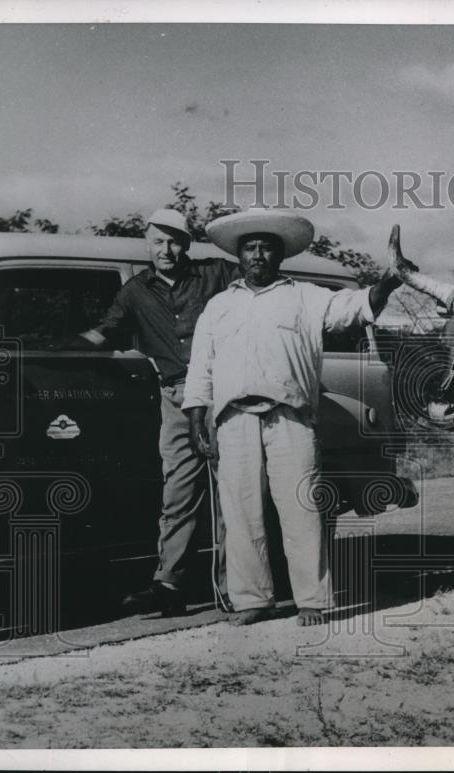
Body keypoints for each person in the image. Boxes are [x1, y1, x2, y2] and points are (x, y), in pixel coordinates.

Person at [182, 209, 404, 626]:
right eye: (250, 247)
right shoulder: (218, 306)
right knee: (241, 511)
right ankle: (253, 600)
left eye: (267, 247)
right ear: (239, 255)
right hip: (233, 421)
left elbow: (355, 306)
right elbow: (201, 368)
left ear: (280, 255)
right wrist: (197, 418)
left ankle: (312, 601)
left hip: (292, 419)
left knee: (301, 510)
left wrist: (390, 281)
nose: (258, 255)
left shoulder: (306, 296)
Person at [79, 208, 239, 616]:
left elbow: (260, 293)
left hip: (222, 392)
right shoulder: (135, 290)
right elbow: (105, 330)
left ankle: (235, 588)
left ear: (186, 243)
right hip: (175, 398)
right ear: (147, 242)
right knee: (178, 494)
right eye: (157, 241)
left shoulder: (217, 273)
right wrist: (48, 347)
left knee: (231, 494)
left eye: (173, 241)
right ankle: (170, 585)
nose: (165, 250)